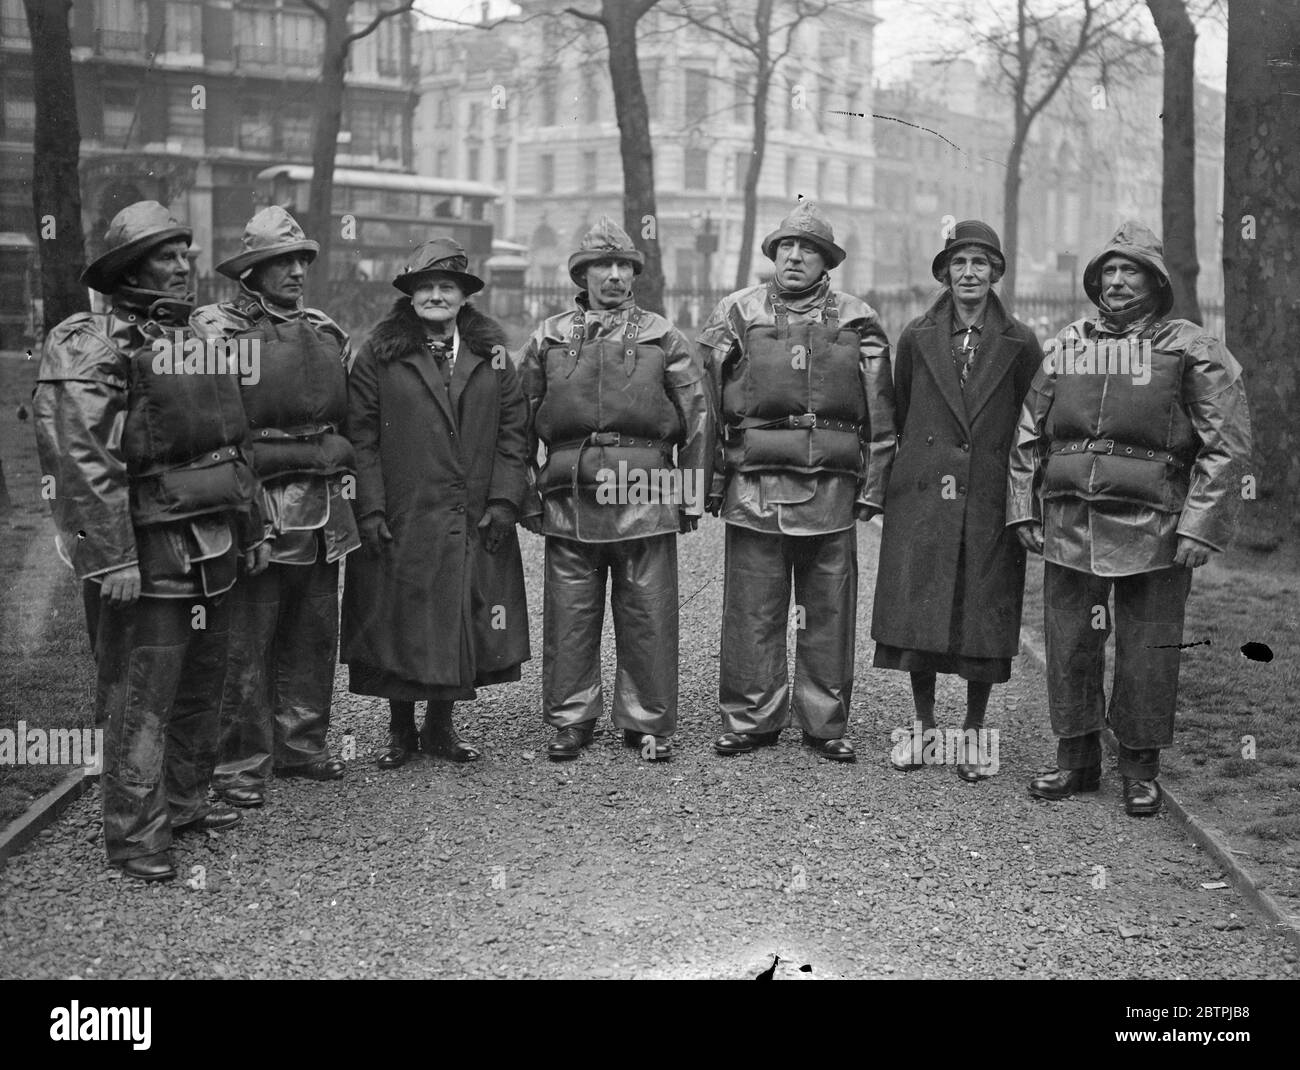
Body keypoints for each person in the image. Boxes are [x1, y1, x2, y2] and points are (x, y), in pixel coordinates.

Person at [33, 201, 268, 882]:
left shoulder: (199, 334)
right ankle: (135, 834)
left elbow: (234, 440)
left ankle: (186, 802)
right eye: (167, 255)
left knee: (203, 680)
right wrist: (111, 558)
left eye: (183, 252)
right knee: (142, 691)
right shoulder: (88, 341)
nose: (182, 264)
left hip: (214, 543)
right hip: (148, 549)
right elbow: (80, 461)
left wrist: (251, 527)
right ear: (131, 267)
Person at [1008, 221, 1252, 815]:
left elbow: (1228, 446)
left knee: (1148, 649)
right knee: (1070, 644)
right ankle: (1076, 762)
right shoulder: (1068, 342)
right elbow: (1027, 435)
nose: (1117, 282)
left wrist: (1200, 524)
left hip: (1157, 528)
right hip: (1069, 523)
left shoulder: (1193, 348)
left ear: (1156, 282)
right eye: (1109, 272)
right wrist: (1022, 509)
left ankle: (1141, 769)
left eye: (1130, 271)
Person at [699, 200, 896, 762]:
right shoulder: (737, 312)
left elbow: (880, 413)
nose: (794, 256)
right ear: (773, 254)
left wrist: (873, 486)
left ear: (826, 260)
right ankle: (750, 717)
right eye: (785, 246)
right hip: (754, 482)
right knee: (751, 608)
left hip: (830, 488)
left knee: (828, 608)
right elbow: (707, 405)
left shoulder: (857, 317)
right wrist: (712, 479)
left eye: (807, 248)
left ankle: (824, 720)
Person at [517, 216, 713, 761]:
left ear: (634, 274)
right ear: (582, 274)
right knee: (570, 611)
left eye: (624, 266)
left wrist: (691, 494)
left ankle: (648, 720)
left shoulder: (661, 335)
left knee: (648, 610)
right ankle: (570, 718)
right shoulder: (550, 336)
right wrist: (523, 492)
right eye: (601, 265)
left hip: (645, 491)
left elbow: (697, 415)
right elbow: (516, 418)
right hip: (570, 491)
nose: (613, 276)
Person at [192, 207, 360, 809]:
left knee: (314, 628)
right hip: (258, 501)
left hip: (323, 506)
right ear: (251, 270)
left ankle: (301, 744)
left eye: (300, 261)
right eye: (279, 262)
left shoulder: (325, 330)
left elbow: (346, 419)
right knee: (246, 637)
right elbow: (210, 425)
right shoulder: (215, 330)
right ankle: (239, 762)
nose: (294, 271)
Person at [341, 238, 530, 768]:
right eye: (425, 287)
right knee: (398, 616)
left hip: (469, 512)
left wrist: (504, 500)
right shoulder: (379, 354)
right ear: (410, 295)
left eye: (447, 287)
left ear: (463, 297)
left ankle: (442, 726)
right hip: (403, 511)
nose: (436, 296)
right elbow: (360, 437)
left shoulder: (492, 355)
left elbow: (514, 431)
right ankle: (400, 730)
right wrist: (371, 509)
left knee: (458, 614)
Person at [872, 221, 1043, 780]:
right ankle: (921, 729)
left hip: (988, 497)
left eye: (980, 263)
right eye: (959, 263)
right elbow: (899, 410)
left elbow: (1029, 423)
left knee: (980, 617)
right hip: (923, 494)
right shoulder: (917, 336)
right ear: (945, 272)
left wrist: (1022, 497)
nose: (969, 274)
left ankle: (972, 734)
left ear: (995, 273)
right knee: (918, 613)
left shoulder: (1020, 343)